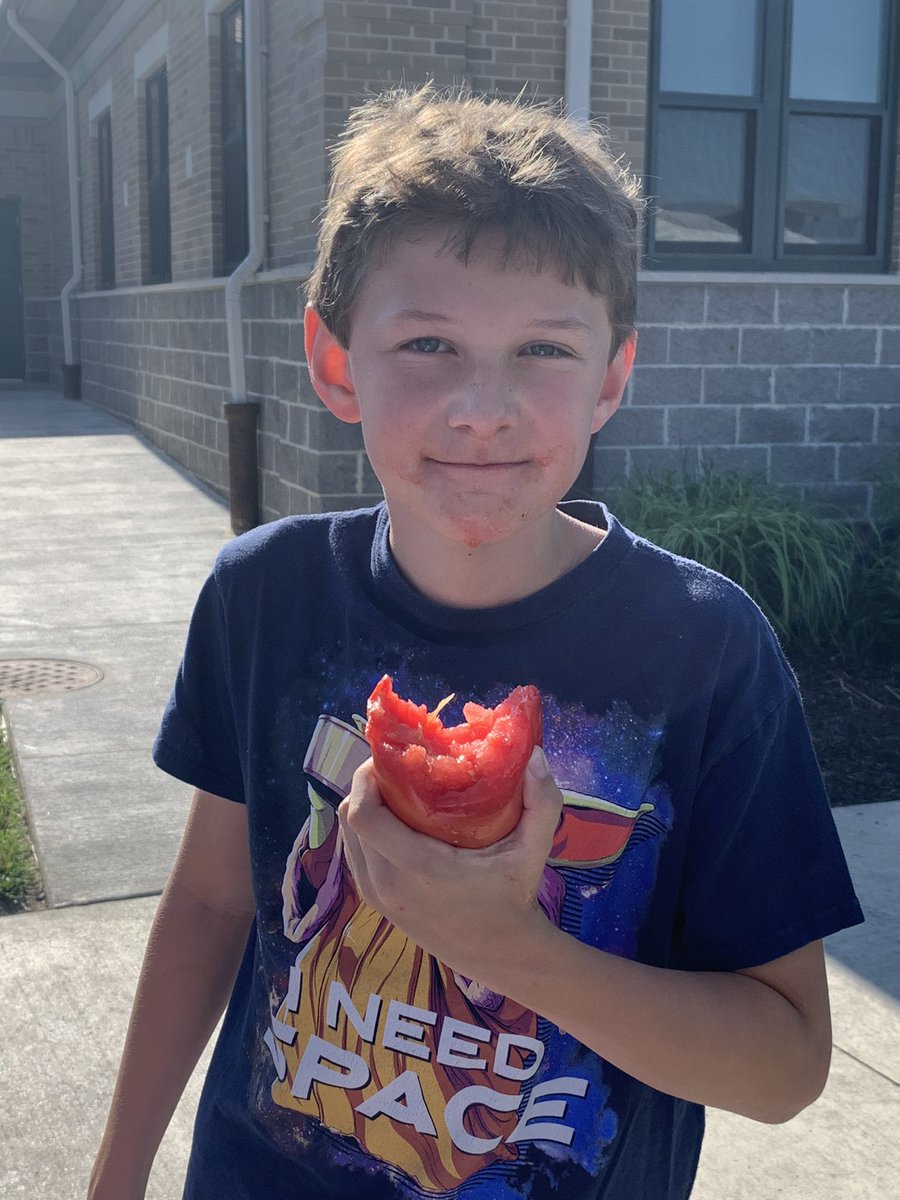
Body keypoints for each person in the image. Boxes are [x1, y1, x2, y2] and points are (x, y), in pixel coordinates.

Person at [87, 85, 864, 1200]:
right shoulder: (265, 597)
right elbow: (214, 902)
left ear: (612, 378)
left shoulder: (704, 651)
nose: (482, 406)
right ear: (337, 360)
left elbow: (785, 1066)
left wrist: (509, 948)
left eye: (543, 347)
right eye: (430, 341)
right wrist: (116, 1175)